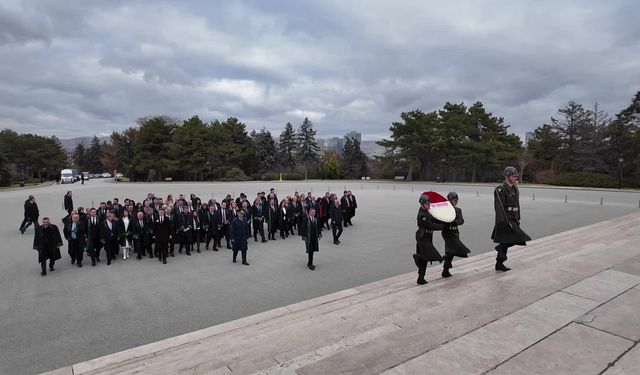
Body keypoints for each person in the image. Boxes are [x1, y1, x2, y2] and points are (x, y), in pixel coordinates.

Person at [491, 166, 532, 272]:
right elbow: (499, 207)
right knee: (520, 237)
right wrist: (504, 222)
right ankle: (499, 250)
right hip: (505, 220)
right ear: (507, 176)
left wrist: (518, 218)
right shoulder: (500, 189)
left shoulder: (515, 188)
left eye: (515, 176)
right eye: (513, 176)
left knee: (506, 242)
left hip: (513, 218)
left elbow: (517, 204)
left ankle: (499, 264)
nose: (515, 178)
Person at [413, 194, 444, 285]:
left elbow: (435, 220)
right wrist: (443, 227)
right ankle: (417, 256)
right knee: (436, 256)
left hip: (427, 237)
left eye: (429, 203)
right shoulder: (422, 215)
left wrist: (444, 220)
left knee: (424, 260)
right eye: (426, 204)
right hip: (422, 237)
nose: (428, 205)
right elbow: (431, 226)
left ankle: (421, 278)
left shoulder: (427, 212)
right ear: (421, 204)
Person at [441, 192, 471, 278]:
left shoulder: (458, 210)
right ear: (449, 200)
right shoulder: (443, 210)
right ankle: (445, 266)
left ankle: (445, 270)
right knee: (451, 250)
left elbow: (461, 221)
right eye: (454, 200)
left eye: (456, 200)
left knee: (451, 251)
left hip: (455, 232)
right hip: (447, 233)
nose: (456, 202)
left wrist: (454, 222)